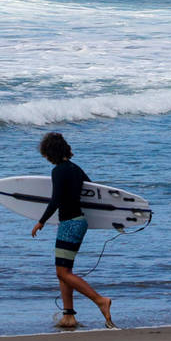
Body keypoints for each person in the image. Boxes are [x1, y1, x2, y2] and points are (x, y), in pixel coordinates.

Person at [31, 132, 115, 329]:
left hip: (69, 224)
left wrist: (41, 221)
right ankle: (68, 316)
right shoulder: (76, 169)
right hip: (79, 222)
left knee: (63, 272)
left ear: (50, 153)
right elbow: (92, 191)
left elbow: (56, 199)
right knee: (64, 271)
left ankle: (100, 300)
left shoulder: (58, 171)